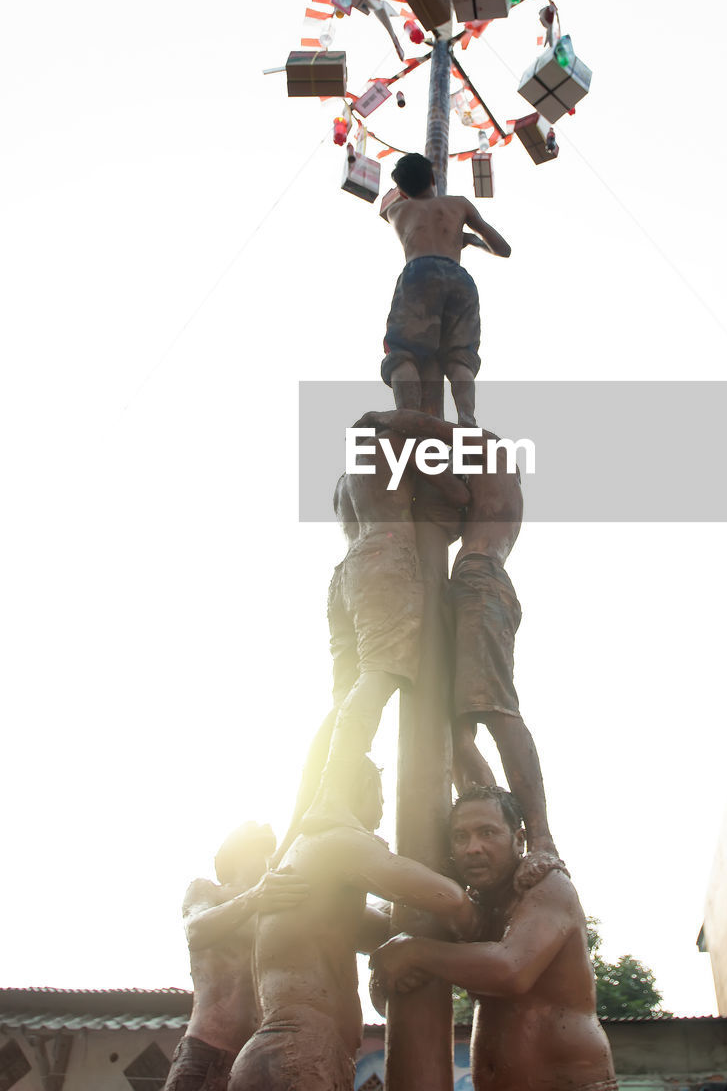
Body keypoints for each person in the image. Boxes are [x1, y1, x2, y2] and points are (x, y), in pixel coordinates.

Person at [356, 407, 557, 862]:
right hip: (469, 582)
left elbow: (432, 435)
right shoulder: (491, 480)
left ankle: (539, 836)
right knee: (459, 735)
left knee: (495, 706)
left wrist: (388, 419)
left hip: (479, 581)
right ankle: (488, 827)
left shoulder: (490, 453)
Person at [228, 757, 480, 1091]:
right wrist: (479, 921)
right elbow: (448, 897)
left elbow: (379, 931)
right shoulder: (341, 840)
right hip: (302, 1055)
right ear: (361, 788)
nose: (380, 812)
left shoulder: (313, 872)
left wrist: (408, 948)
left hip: (278, 1054)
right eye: (380, 798)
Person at [288, 420, 469, 841]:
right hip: (387, 559)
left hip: (346, 573)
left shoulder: (345, 478)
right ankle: (331, 798)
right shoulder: (392, 445)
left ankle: (312, 808)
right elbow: (458, 499)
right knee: (379, 674)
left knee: (343, 700)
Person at [371, 786, 616, 1091]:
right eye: (461, 837)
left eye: (487, 833)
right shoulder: (472, 908)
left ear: (518, 840)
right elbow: (385, 966)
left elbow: (511, 970)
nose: (472, 848)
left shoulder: (547, 887)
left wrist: (413, 951)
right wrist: (386, 966)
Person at [163, 822, 308, 1091]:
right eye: (257, 849)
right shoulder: (209, 891)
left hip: (255, 1059)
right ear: (235, 854)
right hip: (207, 1047)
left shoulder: (275, 910)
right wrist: (254, 896)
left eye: (268, 851)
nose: (265, 859)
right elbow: (196, 930)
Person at [380, 152, 511, 426]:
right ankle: (467, 419)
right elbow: (503, 249)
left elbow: (389, 202)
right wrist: (469, 240)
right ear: (432, 177)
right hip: (458, 278)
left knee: (403, 351)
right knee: (460, 355)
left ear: (402, 191)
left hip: (418, 274)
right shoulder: (459, 205)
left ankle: (408, 418)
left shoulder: (397, 211)